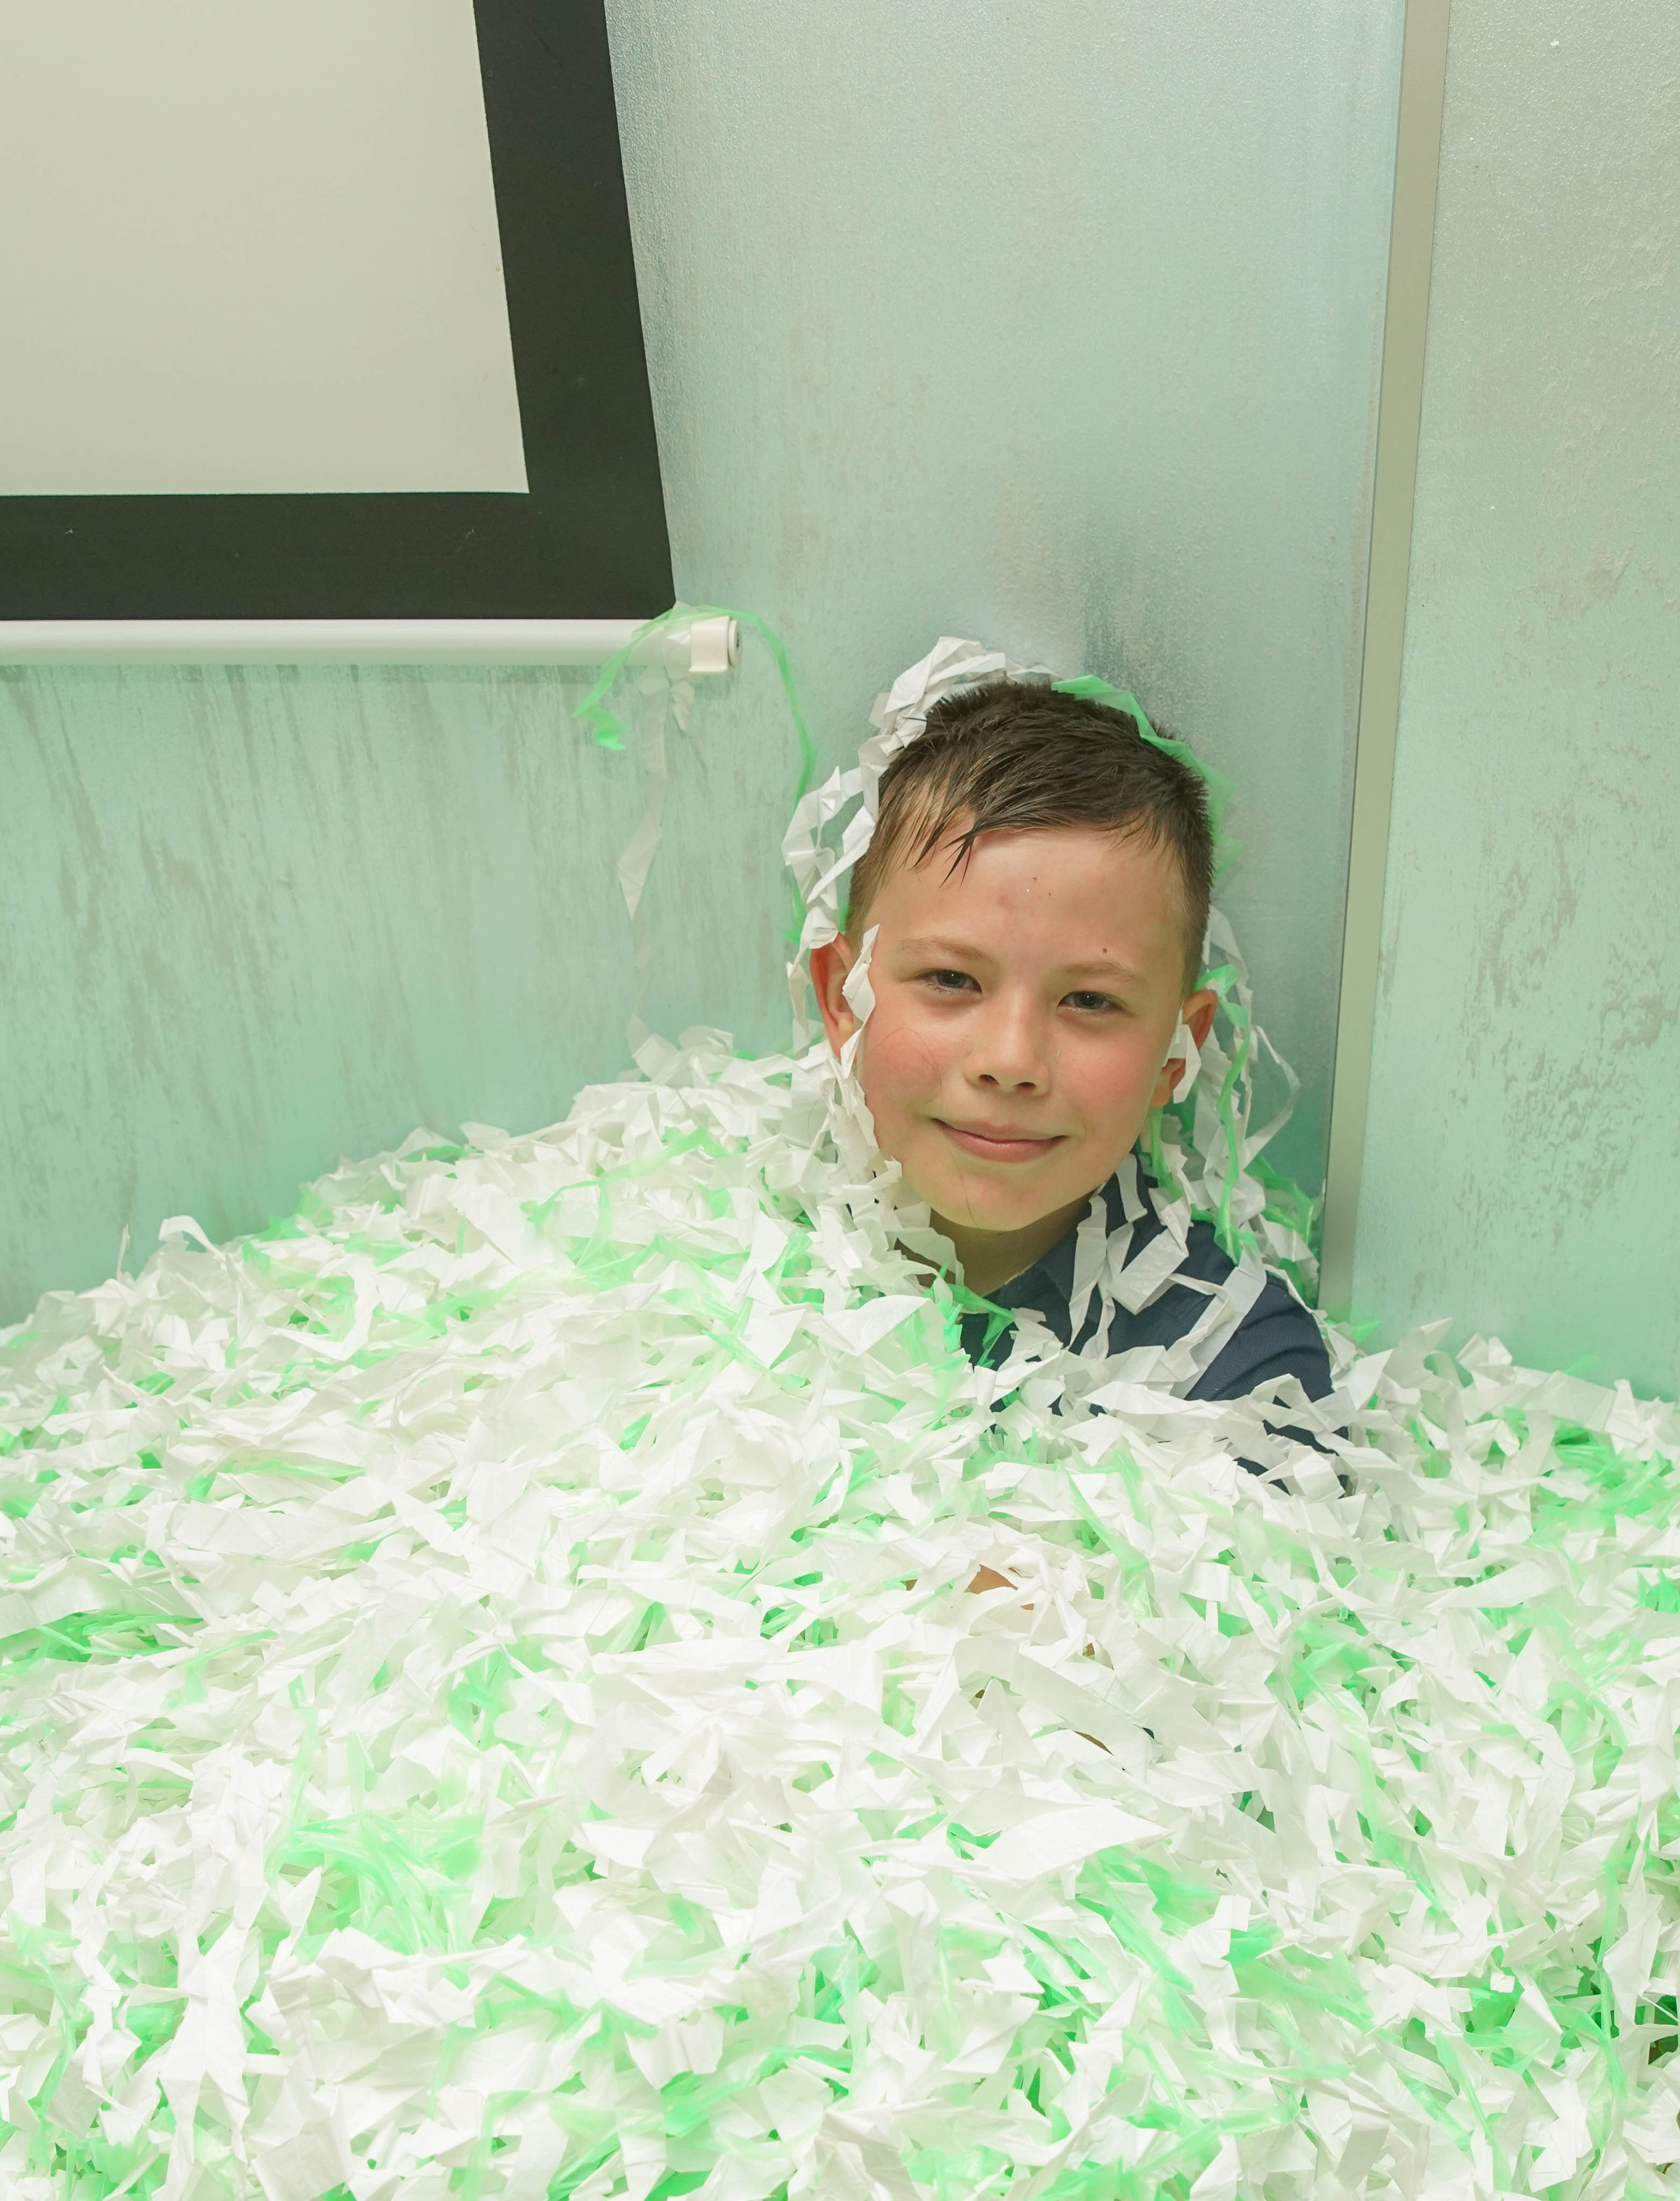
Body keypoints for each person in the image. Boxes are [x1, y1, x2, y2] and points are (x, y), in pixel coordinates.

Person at [807, 677, 1333, 1424]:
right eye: (952, 978)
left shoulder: (1242, 1367)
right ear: (840, 999)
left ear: (1178, 1051)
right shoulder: (714, 1265)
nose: (1012, 1058)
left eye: (1090, 1000)